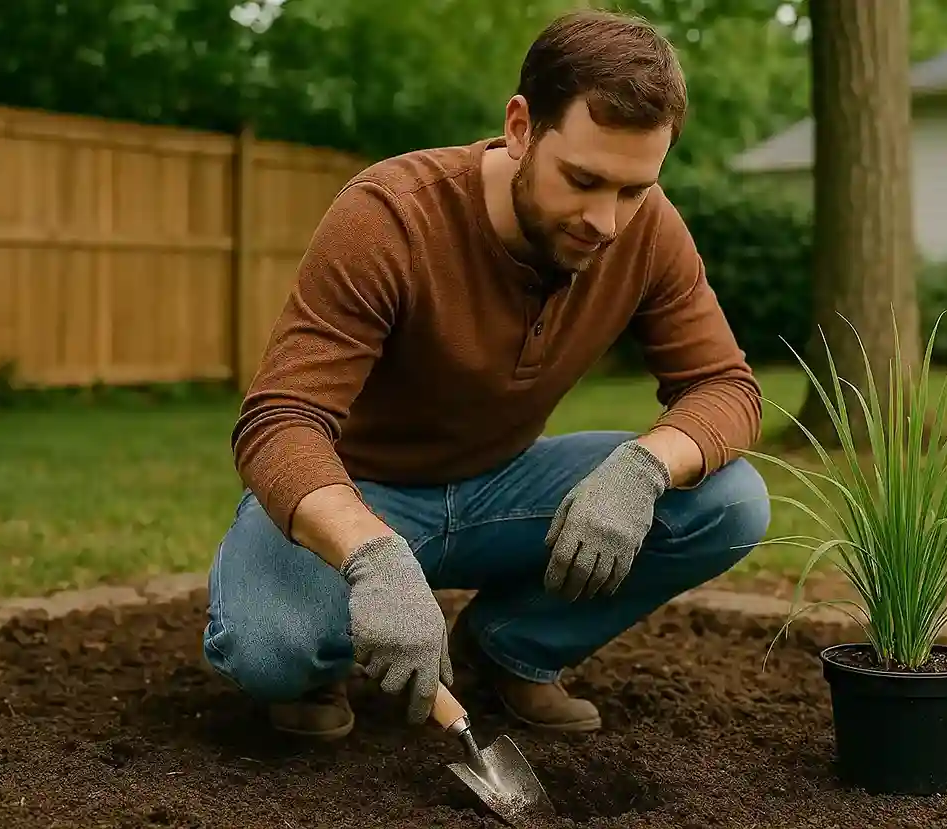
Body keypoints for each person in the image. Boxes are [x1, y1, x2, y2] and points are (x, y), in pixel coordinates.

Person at [201, 8, 771, 742]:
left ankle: (511, 645)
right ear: (521, 126)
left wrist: (642, 467)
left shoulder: (648, 228)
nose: (607, 221)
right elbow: (278, 423)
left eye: (633, 190)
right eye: (584, 180)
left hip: (501, 490)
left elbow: (726, 386)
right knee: (267, 646)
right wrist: (371, 555)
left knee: (730, 501)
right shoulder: (391, 216)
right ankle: (319, 663)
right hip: (357, 491)